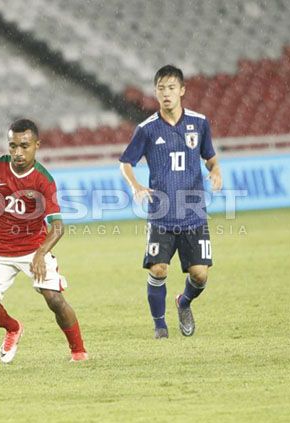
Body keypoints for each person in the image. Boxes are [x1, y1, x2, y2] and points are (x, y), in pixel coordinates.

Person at [0, 118, 88, 363]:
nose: (18, 152)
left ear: (37, 145)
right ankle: (13, 328)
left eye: (24, 146)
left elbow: (58, 227)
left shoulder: (42, 180)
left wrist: (40, 254)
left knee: (55, 299)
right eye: (13, 146)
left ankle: (78, 351)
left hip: (32, 250)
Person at [119, 64, 222, 339]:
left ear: (182, 91)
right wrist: (137, 186)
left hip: (193, 214)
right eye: (162, 88)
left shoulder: (199, 123)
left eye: (172, 88)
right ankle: (160, 325)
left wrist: (216, 171)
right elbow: (126, 163)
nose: (167, 93)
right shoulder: (147, 129)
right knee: (158, 268)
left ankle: (184, 302)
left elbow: (210, 157)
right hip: (162, 215)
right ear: (155, 92)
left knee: (200, 275)